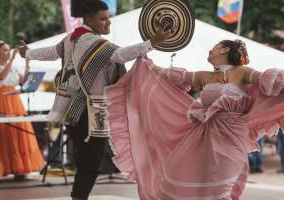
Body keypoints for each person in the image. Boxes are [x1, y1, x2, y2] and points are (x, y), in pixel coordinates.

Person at [106, 39, 284, 199]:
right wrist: (148, 65)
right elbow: (168, 76)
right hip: (202, 137)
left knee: (222, 191)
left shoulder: (243, 72)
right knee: (182, 179)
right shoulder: (205, 76)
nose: (210, 50)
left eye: (214, 47)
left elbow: (276, 83)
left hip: (232, 137)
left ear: (224, 49)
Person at [17, 1, 170, 199]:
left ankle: (78, 196)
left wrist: (27, 53)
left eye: (109, 18)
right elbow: (121, 55)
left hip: (70, 110)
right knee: (90, 161)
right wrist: (152, 43)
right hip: (90, 111)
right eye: (103, 19)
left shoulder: (72, 38)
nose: (108, 23)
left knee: (86, 161)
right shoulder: (93, 42)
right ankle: (78, 197)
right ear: (89, 19)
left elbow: (51, 52)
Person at [0, 41, 43, 182]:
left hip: (14, 101)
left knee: (16, 133)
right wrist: (13, 58)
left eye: (9, 50)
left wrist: (27, 63)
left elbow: (24, 82)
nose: (8, 53)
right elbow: (1, 77)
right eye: (5, 50)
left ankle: (19, 169)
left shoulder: (13, 68)